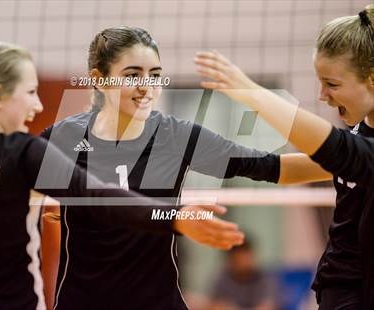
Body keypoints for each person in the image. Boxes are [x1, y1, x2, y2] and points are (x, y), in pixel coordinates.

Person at [40, 26, 328, 310]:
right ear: (99, 80)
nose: (146, 87)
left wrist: (355, 160)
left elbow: (274, 167)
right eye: (132, 75)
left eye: (154, 75)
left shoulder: (175, 136)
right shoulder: (64, 138)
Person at [0, 42, 245, 309]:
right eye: (31, 92)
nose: (39, 106)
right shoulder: (19, 152)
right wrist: (176, 217)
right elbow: (95, 195)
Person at [194, 5, 374, 309]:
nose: (322, 95)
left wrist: (253, 93)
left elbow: (337, 150)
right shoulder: (360, 131)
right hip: (342, 293)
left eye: (332, 84)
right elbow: (293, 168)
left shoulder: (354, 148)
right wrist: (216, 156)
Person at [210, 239, 277, 310]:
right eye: (236, 259)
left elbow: (268, 306)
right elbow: (214, 305)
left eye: (244, 257)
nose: (241, 262)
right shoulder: (223, 278)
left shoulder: (264, 278)